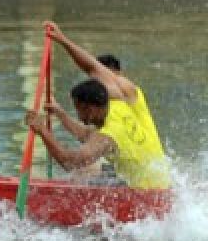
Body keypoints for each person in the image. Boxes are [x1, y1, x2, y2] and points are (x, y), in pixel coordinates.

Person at [42, 22, 168, 185]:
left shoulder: (107, 138)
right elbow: (92, 68)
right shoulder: (125, 100)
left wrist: (42, 132)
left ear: (89, 108)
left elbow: (71, 162)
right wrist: (62, 39)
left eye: (77, 109)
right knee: (96, 169)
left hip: (146, 197)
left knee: (83, 170)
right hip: (164, 184)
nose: (78, 116)